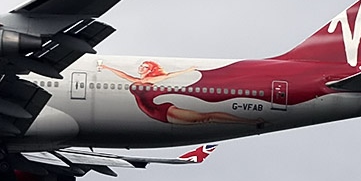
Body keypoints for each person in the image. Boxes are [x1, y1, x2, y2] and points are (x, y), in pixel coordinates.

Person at [98, 60, 257, 126]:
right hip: (155, 113)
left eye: (145, 67)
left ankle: (249, 121)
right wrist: (107, 68)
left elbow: (168, 76)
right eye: (141, 66)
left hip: (162, 111)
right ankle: (249, 121)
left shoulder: (152, 80)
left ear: (151, 70)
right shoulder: (137, 80)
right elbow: (124, 76)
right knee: (206, 117)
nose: (141, 68)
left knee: (206, 117)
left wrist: (187, 71)